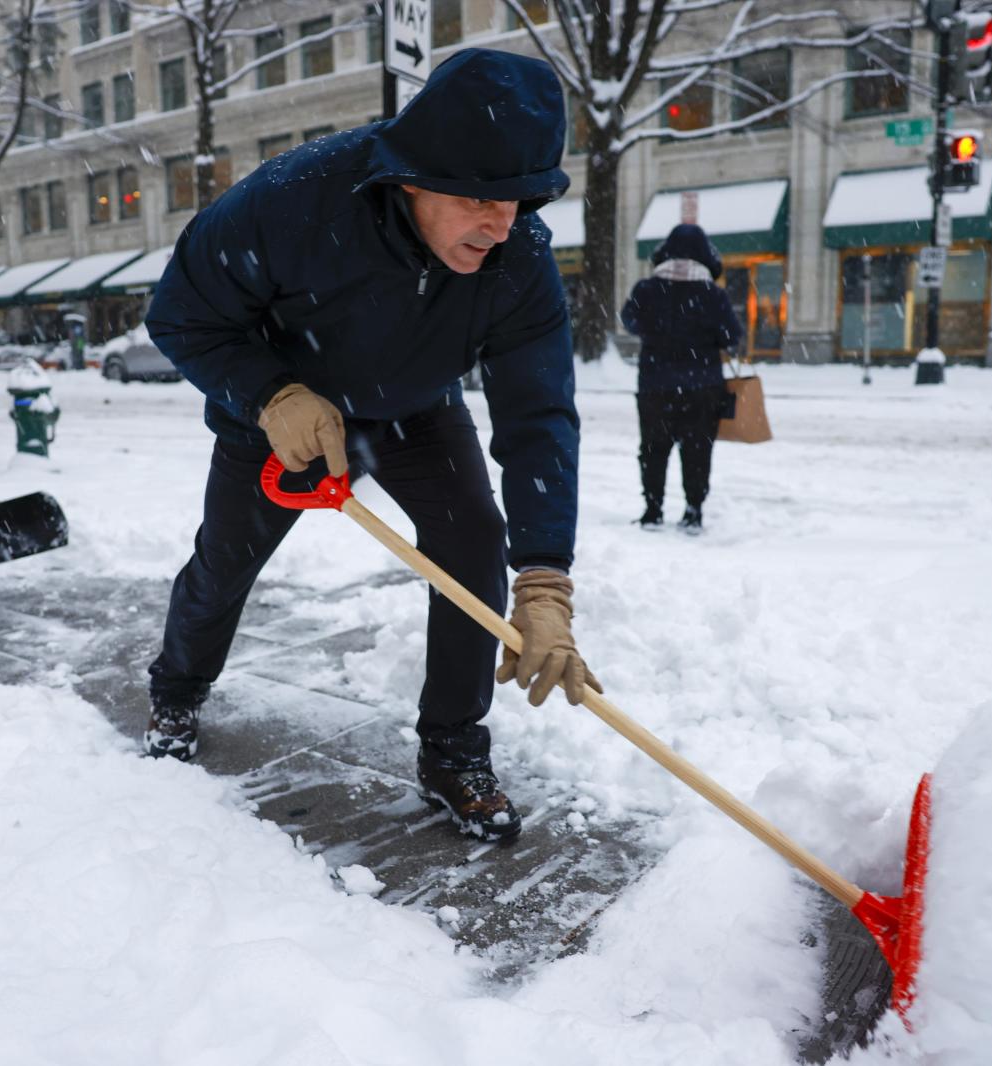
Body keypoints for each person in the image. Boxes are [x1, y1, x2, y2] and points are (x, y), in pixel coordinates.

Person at [142, 48, 601, 841]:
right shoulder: (293, 202)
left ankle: (454, 749)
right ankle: (177, 691)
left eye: (523, 199)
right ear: (416, 176)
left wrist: (546, 579)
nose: (502, 225)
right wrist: (268, 395)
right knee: (224, 563)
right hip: (284, 411)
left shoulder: (518, 259)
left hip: (414, 411)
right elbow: (180, 314)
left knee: (472, 543)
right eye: (483, 200)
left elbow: (538, 417)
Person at [621, 224, 743, 535]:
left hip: (655, 386)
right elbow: (732, 335)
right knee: (697, 450)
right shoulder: (712, 294)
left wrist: (658, 328)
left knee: (653, 448)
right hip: (703, 386)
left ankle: (653, 509)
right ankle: (693, 510)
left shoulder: (647, 289)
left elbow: (630, 321)